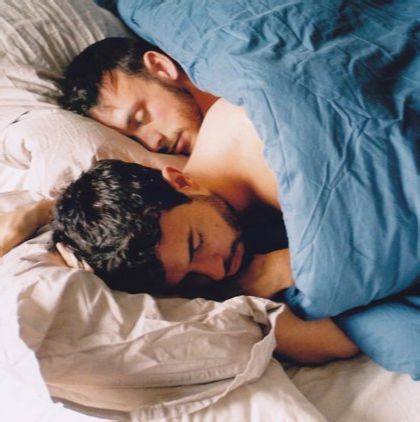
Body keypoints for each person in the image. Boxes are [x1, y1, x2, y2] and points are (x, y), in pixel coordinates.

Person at [52, 98, 359, 364]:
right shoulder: (201, 227)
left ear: (181, 182)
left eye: (196, 244)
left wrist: (276, 269)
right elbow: (329, 343)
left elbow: (348, 334)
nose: (216, 271)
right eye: (189, 277)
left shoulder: (272, 151)